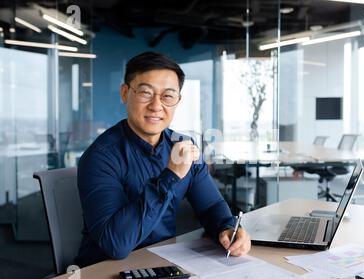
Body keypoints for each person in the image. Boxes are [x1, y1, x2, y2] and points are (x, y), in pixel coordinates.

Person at [75, 52, 251, 267]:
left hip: (161, 262)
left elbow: (211, 205)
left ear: (177, 100)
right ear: (125, 93)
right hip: (103, 272)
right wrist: (172, 174)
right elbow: (116, 245)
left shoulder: (183, 146)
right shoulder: (101, 157)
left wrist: (228, 228)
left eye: (168, 96)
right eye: (145, 93)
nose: (156, 106)